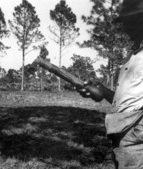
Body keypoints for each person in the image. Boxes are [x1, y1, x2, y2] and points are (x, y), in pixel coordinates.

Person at [77, 0, 143, 168]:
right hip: (122, 133)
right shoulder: (132, 57)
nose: (126, 28)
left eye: (131, 21)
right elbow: (126, 101)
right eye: (124, 22)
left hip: (137, 136)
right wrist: (101, 90)